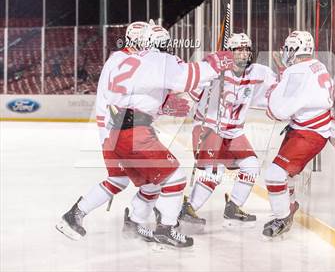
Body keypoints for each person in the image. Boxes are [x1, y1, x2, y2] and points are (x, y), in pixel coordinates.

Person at [56, 21, 236, 248]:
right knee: (175, 177)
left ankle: (125, 221)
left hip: (114, 130)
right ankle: (166, 229)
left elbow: (136, 94)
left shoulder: (122, 59)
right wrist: (216, 62)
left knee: (145, 183)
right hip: (133, 132)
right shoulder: (156, 59)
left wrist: (163, 106)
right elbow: (188, 77)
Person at [179, 33, 278, 227]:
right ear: (229, 53)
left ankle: (233, 206)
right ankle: (188, 207)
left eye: (246, 49)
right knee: (214, 172)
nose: (243, 54)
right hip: (209, 127)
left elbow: (277, 86)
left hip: (234, 131)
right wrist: (211, 67)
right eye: (238, 50)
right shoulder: (216, 71)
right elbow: (192, 88)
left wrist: (285, 72)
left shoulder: (259, 72)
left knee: (251, 166)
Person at [262, 31, 334, 238]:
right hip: (308, 128)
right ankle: (290, 206)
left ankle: (282, 216)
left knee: (274, 174)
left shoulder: (295, 73)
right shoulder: (318, 65)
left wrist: (275, 90)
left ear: (294, 49)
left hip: (309, 133)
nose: (284, 52)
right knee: (287, 174)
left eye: (287, 48)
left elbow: (278, 112)